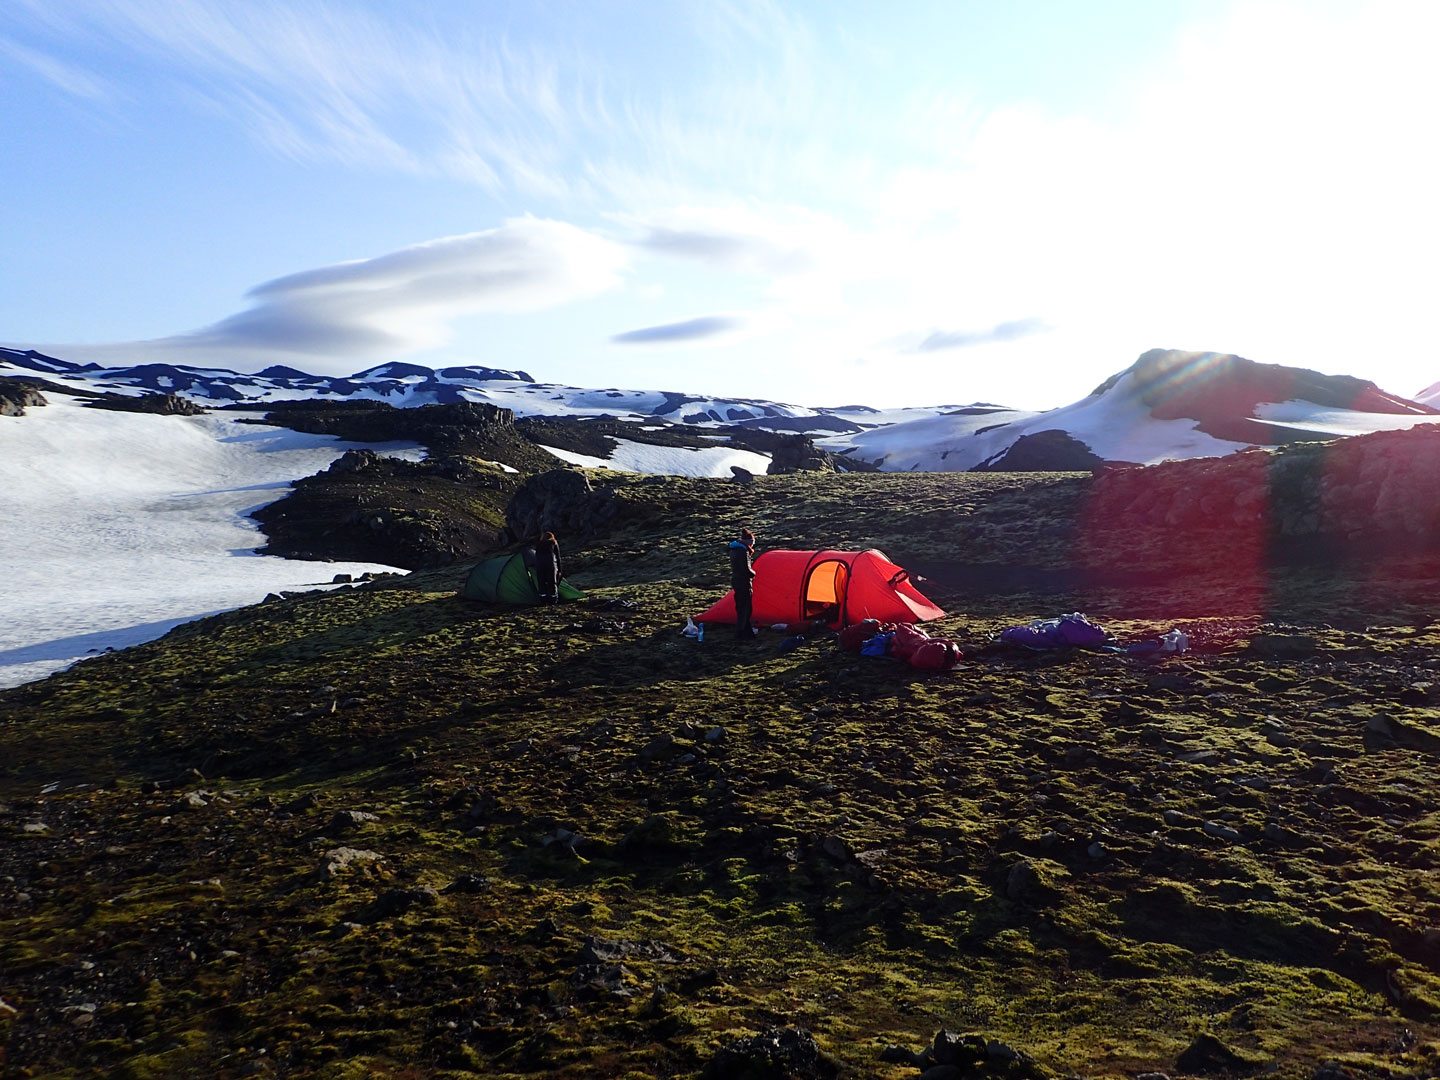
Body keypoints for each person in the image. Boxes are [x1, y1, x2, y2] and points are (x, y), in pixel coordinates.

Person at [729, 528, 757, 639]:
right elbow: (746, 569)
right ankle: (742, 632)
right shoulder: (743, 551)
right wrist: (754, 574)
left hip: (736, 580)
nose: (752, 546)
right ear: (748, 542)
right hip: (744, 582)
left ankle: (746, 631)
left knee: (741, 607)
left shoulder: (734, 549)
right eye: (752, 544)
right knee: (746, 608)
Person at [535, 532, 562, 604]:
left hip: (540, 565)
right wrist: (560, 569)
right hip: (551, 565)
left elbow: (537, 556)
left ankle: (543, 599)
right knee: (552, 582)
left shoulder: (539, 544)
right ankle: (554, 599)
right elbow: (558, 556)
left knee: (541, 582)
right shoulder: (553, 542)